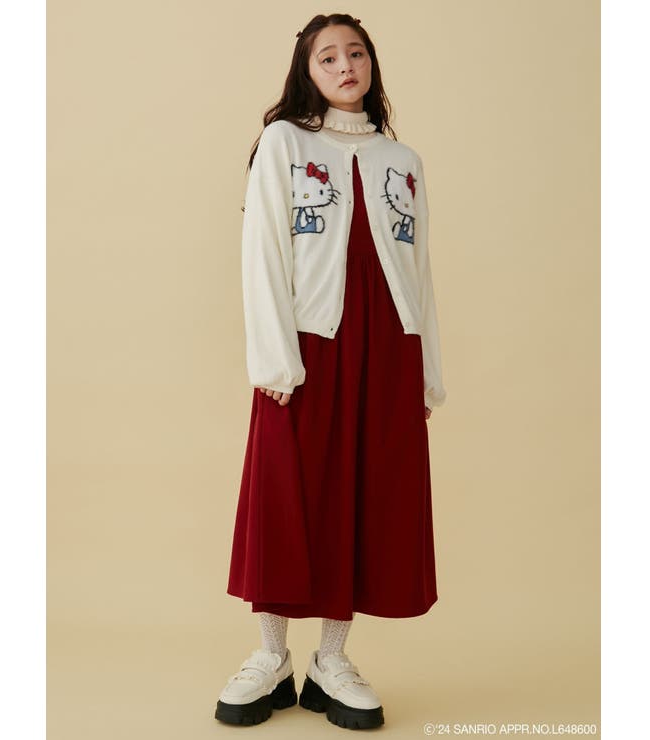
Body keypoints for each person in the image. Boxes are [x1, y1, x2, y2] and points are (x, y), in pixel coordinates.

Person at [215, 13, 447, 731]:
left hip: (388, 349)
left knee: (363, 500)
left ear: (371, 63)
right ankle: (270, 656)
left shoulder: (402, 160)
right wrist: (274, 358)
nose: (346, 66)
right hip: (309, 345)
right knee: (289, 496)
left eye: (356, 53)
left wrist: (426, 373)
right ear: (307, 71)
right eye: (328, 57)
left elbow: (420, 271)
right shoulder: (285, 143)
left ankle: (331, 662)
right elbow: (262, 251)